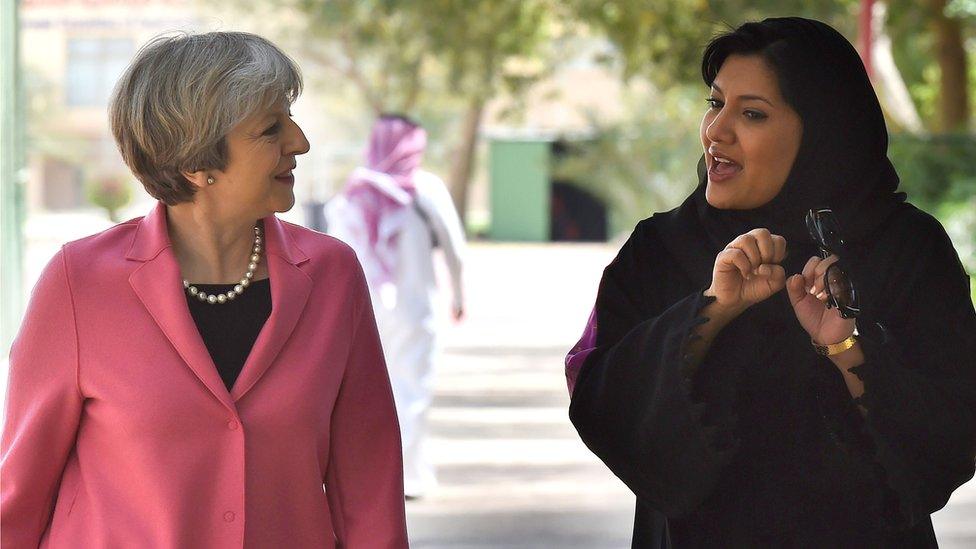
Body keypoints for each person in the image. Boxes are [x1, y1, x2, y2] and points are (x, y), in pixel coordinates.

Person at [566, 17, 976, 547]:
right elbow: (602, 403)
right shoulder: (661, 249)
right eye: (715, 104)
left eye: (752, 113)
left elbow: (952, 436)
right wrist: (710, 310)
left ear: (823, 131)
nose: (717, 131)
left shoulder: (907, 251)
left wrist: (846, 345)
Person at [0, 32, 408, 548]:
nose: (299, 142)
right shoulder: (79, 282)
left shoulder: (332, 274)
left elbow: (368, 480)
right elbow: (21, 491)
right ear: (196, 162)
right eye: (269, 129)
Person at [326, 114, 465, 499]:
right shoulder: (426, 188)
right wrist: (459, 296)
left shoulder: (352, 193)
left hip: (364, 312)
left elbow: (336, 257)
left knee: (367, 395)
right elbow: (455, 248)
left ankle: (377, 475)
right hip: (415, 311)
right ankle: (408, 477)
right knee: (412, 390)